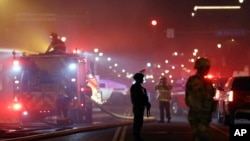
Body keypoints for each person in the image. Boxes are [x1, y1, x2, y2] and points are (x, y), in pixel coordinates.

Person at [185, 57, 217, 141]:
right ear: (202, 68)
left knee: (199, 136)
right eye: (206, 68)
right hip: (199, 114)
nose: (208, 70)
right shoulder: (195, 81)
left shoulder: (206, 81)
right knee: (203, 136)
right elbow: (190, 98)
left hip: (203, 114)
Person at [130, 72, 151, 141]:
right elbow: (139, 98)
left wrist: (146, 103)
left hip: (139, 106)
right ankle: (136, 136)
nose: (143, 79)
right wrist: (145, 103)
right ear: (139, 79)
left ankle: (137, 135)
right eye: (142, 78)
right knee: (138, 121)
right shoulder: (137, 87)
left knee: (139, 121)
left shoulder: (138, 87)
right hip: (138, 106)